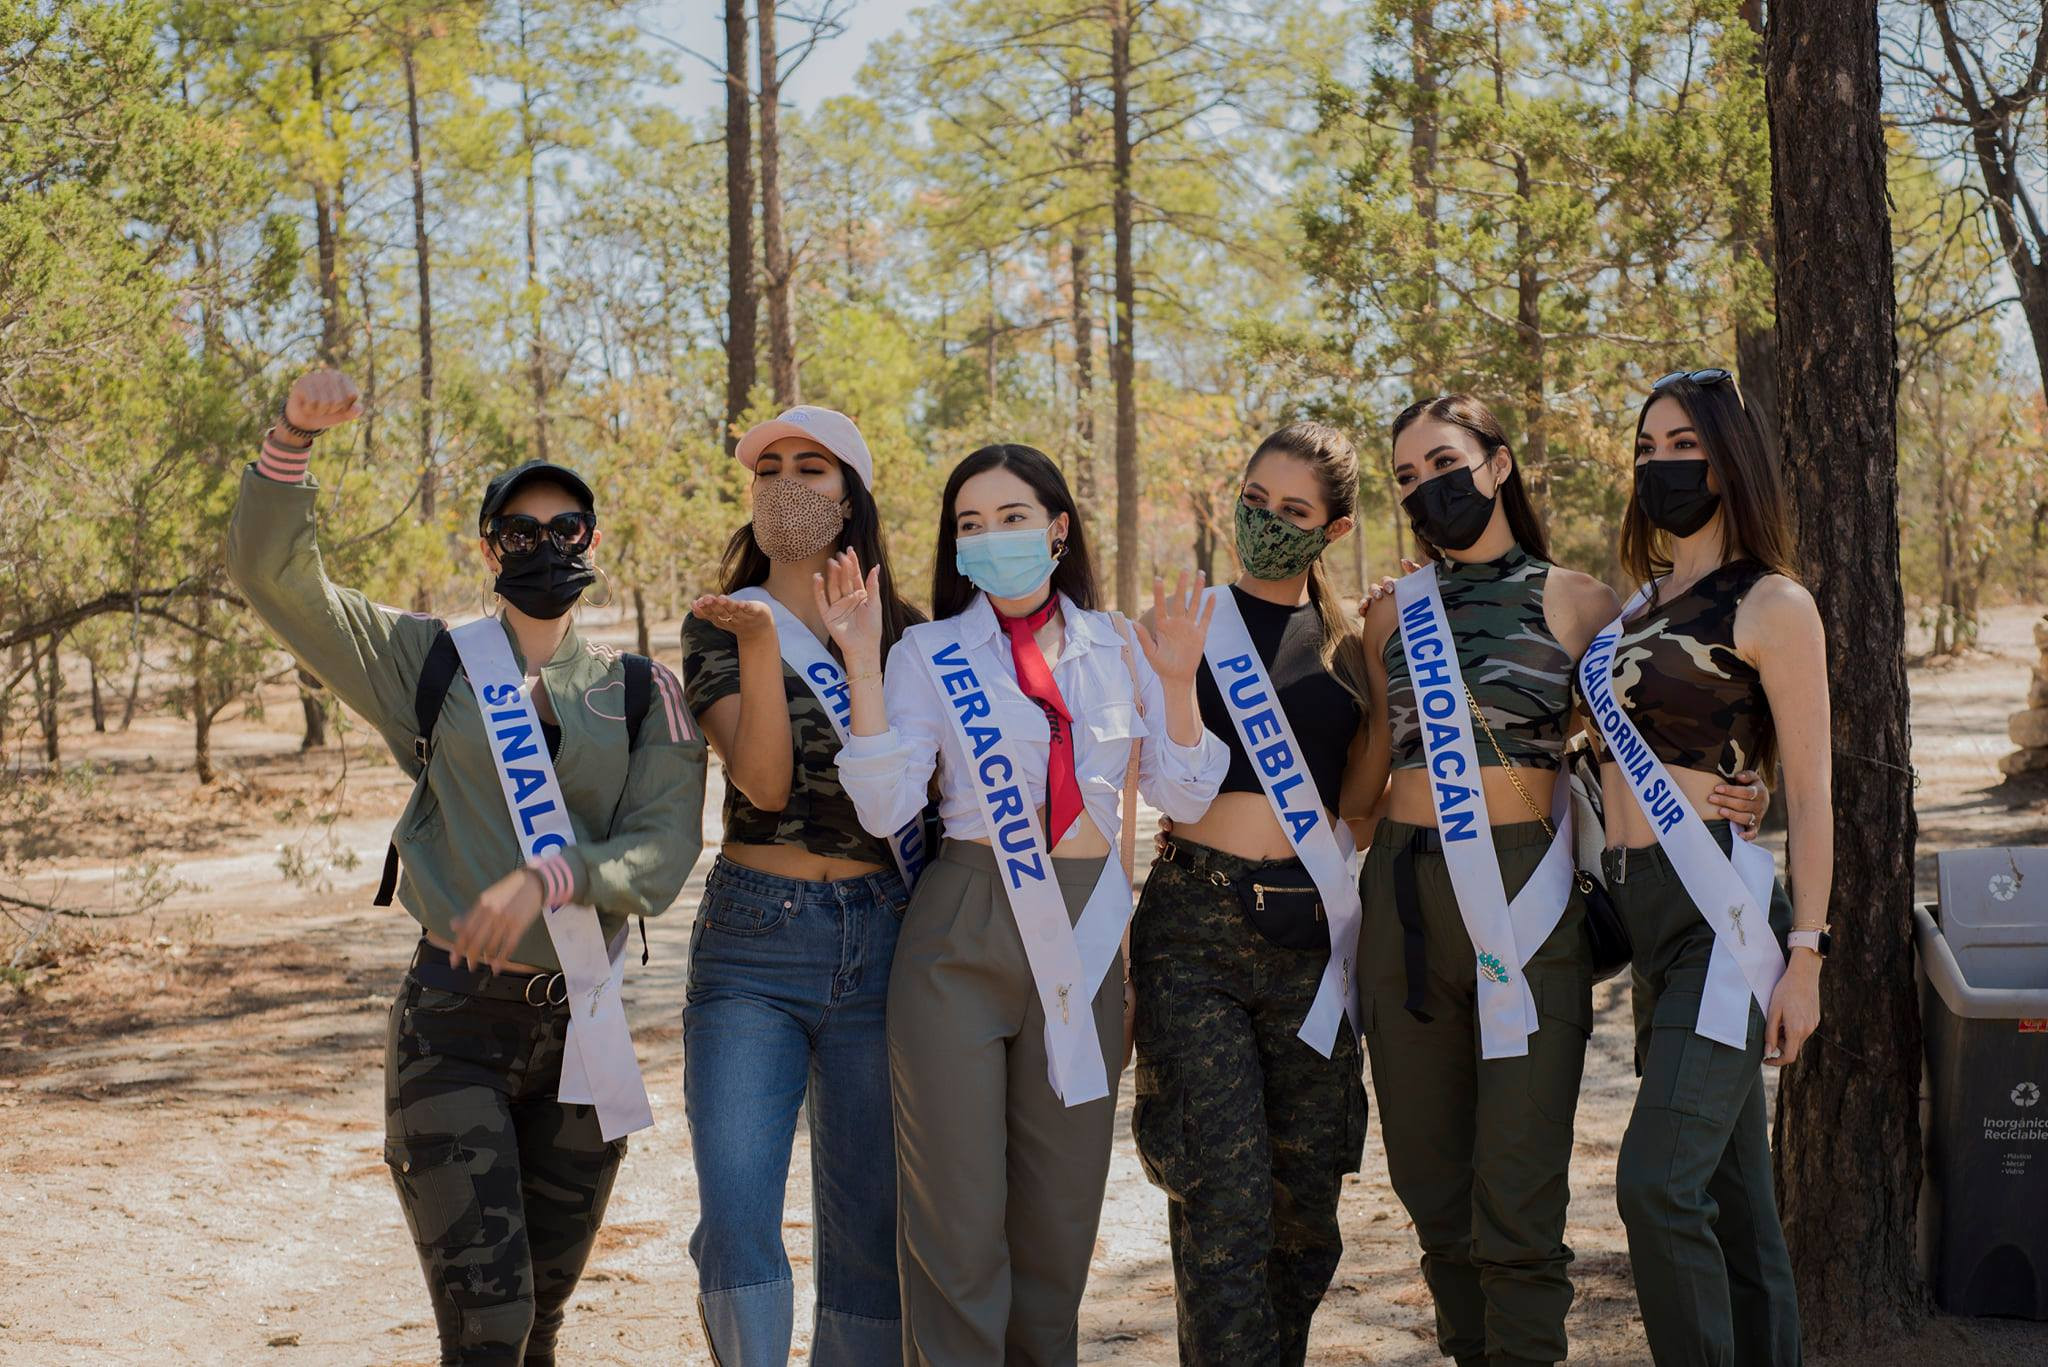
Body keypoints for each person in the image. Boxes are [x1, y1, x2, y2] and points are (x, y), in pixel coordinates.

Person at [226, 368, 707, 1365]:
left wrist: (557, 876)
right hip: (453, 1028)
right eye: (519, 531)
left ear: (593, 542)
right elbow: (278, 579)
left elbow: (661, 853)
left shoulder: (640, 691)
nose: (543, 545)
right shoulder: (432, 662)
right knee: (487, 1326)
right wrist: (290, 442)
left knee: (540, 1323)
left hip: (587, 1029)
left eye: (564, 526)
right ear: (489, 549)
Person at [1354, 395, 1771, 1367]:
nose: (1428, 488)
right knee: (1430, 1190)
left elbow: (1672, 709)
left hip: (1522, 904)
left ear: (1497, 465)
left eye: (1445, 462)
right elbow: (1363, 779)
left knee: (1517, 1191)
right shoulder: (1385, 610)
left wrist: (1745, 788)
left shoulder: (1582, 601)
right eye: (1406, 476)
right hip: (1401, 906)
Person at [829, 443, 1229, 1366]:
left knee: (1056, 1226)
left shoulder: (1121, 645)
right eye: (970, 525)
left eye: (1011, 517)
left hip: (1086, 932)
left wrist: (1175, 686)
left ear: (1057, 528)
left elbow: (1188, 793)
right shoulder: (927, 652)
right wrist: (861, 664)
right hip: (961, 926)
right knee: (958, 1225)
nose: (991, 538)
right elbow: (888, 807)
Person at [1583, 369, 1828, 1366]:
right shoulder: (1634, 604)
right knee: (1731, 1198)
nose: (1659, 464)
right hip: (1639, 906)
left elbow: (1809, 790)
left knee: (1654, 1181)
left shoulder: (1772, 602)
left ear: (1727, 456)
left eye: (1681, 444)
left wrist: (1804, 954)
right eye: (1645, 448)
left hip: (1721, 917)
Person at [679, 405, 928, 1365]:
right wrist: (755, 640)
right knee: (738, 1207)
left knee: (868, 1215)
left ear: (851, 494)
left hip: (883, 933)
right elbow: (763, 783)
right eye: (768, 467)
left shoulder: (909, 633)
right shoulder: (718, 622)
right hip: (756, 937)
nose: (786, 481)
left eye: (812, 467)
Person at [1128, 421, 1374, 1367]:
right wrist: (1180, 676)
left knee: (1305, 1210)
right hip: (1195, 925)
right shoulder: (1185, 620)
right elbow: (1164, 781)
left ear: (1336, 528)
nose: (1267, 521)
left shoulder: (1355, 647)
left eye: (1295, 510)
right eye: (1257, 499)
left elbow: (1366, 798)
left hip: (1313, 934)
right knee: (1222, 1199)